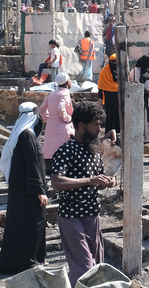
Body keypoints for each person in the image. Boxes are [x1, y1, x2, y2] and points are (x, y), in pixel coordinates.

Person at [50, 101, 115, 286]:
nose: (99, 128)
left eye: (100, 124)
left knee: (96, 268)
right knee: (84, 267)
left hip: (92, 215)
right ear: (81, 125)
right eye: (95, 124)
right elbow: (56, 182)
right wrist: (91, 181)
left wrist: (106, 182)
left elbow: (96, 183)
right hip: (71, 217)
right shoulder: (65, 150)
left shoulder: (94, 151)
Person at [0, 102, 48, 274]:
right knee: (33, 224)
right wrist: (39, 190)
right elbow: (32, 165)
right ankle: (29, 261)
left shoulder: (24, 135)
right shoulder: (27, 136)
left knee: (20, 226)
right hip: (29, 192)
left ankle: (25, 261)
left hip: (22, 191)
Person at [38, 73, 75, 174]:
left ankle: (51, 171)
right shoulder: (65, 94)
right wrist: (67, 118)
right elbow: (60, 108)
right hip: (62, 127)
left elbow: (42, 109)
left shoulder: (52, 94)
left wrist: (48, 119)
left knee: (51, 149)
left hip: (51, 126)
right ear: (67, 82)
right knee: (64, 151)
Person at [97, 53, 120, 145]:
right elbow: (100, 87)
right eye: (112, 62)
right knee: (110, 116)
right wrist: (100, 99)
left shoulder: (121, 71)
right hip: (109, 99)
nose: (114, 64)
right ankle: (109, 135)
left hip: (119, 97)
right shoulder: (104, 71)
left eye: (115, 62)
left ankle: (118, 135)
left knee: (118, 116)